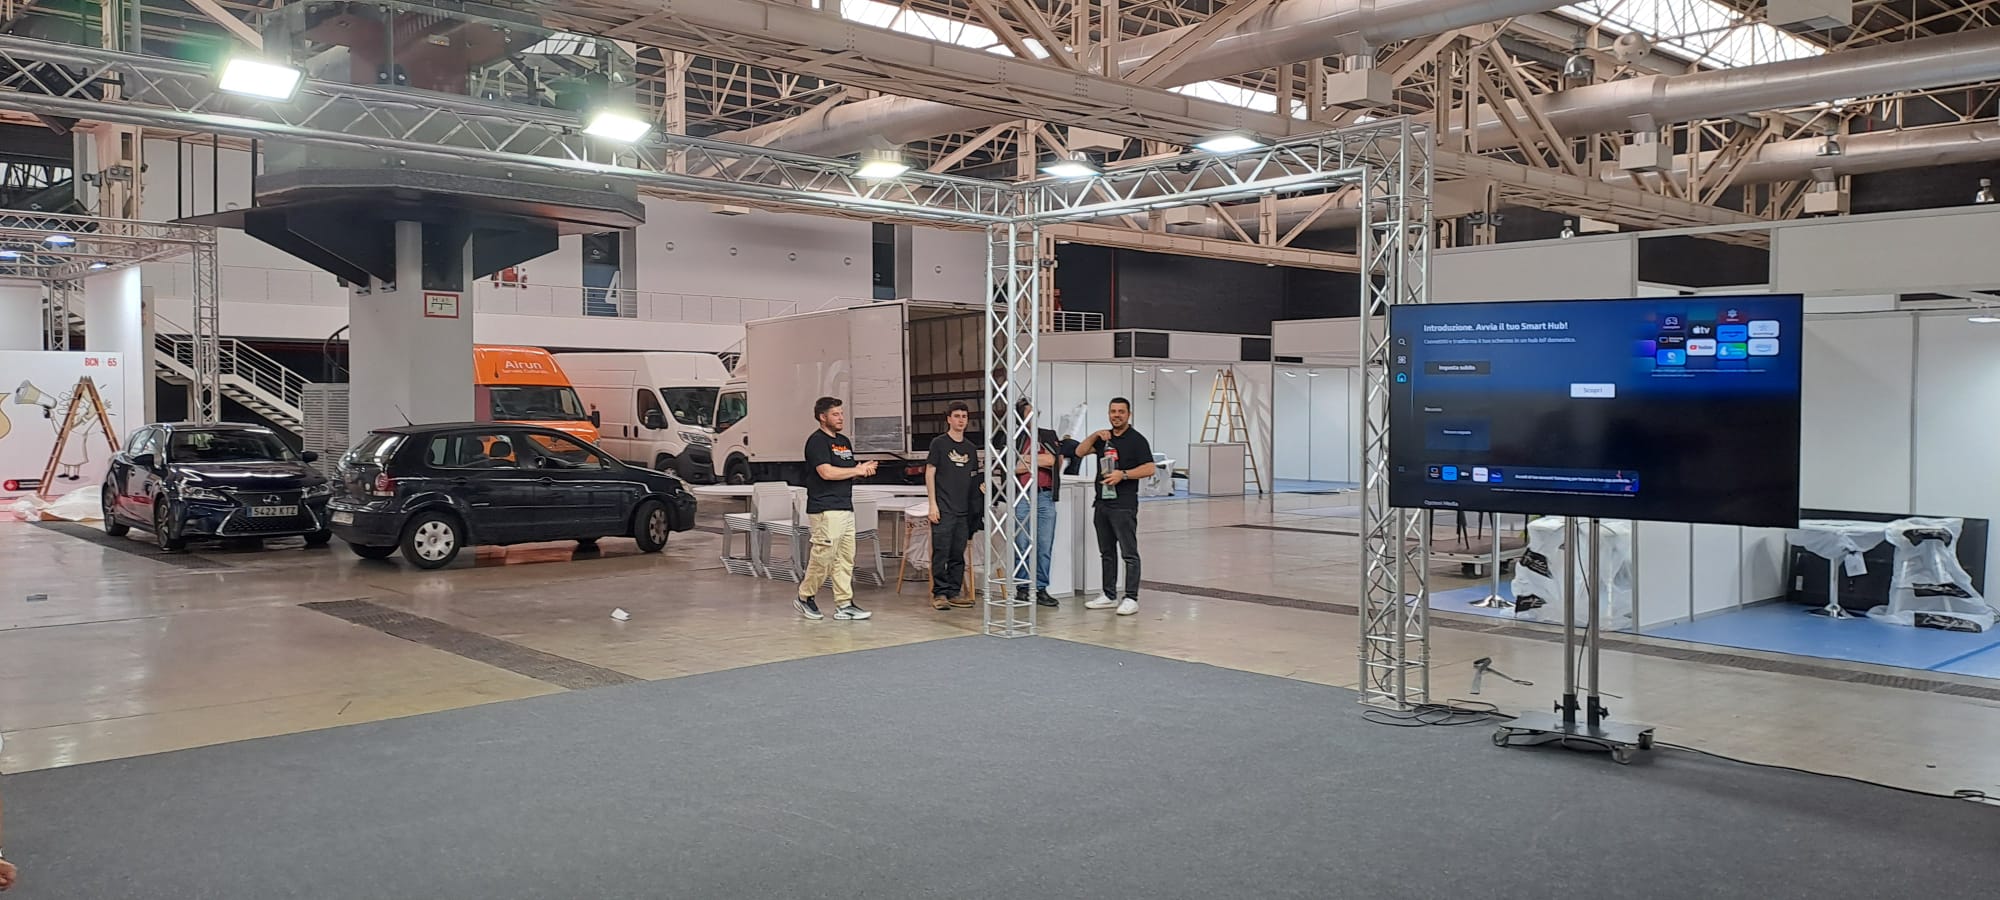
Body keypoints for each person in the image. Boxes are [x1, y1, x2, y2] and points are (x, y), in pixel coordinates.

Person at [1074, 397, 1154, 616]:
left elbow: (1149, 468)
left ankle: (1131, 597)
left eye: (1121, 411)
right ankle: (1109, 594)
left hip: (1124, 505)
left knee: (1129, 553)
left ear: (1129, 414)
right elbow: (1079, 452)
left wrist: (1123, 474)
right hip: (1102, 503)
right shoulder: (1104, 438)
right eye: (1113, 411)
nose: (1116, 415)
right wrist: (1094, 435)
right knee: (1106, 552)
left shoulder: (1137, 440)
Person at [798, 396, 876, 621]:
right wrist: (856, 470)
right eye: (835, 414)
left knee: (845, 557)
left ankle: (844, 603)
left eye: (841, 413)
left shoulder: (843, 441)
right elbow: (826, 472)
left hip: (845, 506)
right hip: (825, 508)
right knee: (824, 556)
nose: (841, 417)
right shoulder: (817, 441)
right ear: (822, 417)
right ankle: (805, 596)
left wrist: (861, 470)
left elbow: (845, 471)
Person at [1002, 400, 1062, 608]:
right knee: (1021, 544)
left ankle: (1041, 588)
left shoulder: (1047, 435)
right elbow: (1010, 467)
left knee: (1044, 544)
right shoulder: (1012, 438)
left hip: (1045, 495)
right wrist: (1037, 460)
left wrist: (1025, 460)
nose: (1032, 416)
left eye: (1034, 412)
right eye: (1028, 412)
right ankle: (1022, 588)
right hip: (1022, 496)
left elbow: (1053, 461)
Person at [925, 401, 981, 611]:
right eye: (957, 416)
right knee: (941, 551)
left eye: (964, 416)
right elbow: (930, 472)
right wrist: (933, 504)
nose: (961, 420)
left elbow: (974, 478)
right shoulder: (939, 444)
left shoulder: (970, 449)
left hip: (963, 510)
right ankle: (939, 593)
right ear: (949, 419)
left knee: (958, 553)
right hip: (944, 507)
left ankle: (953, 592)